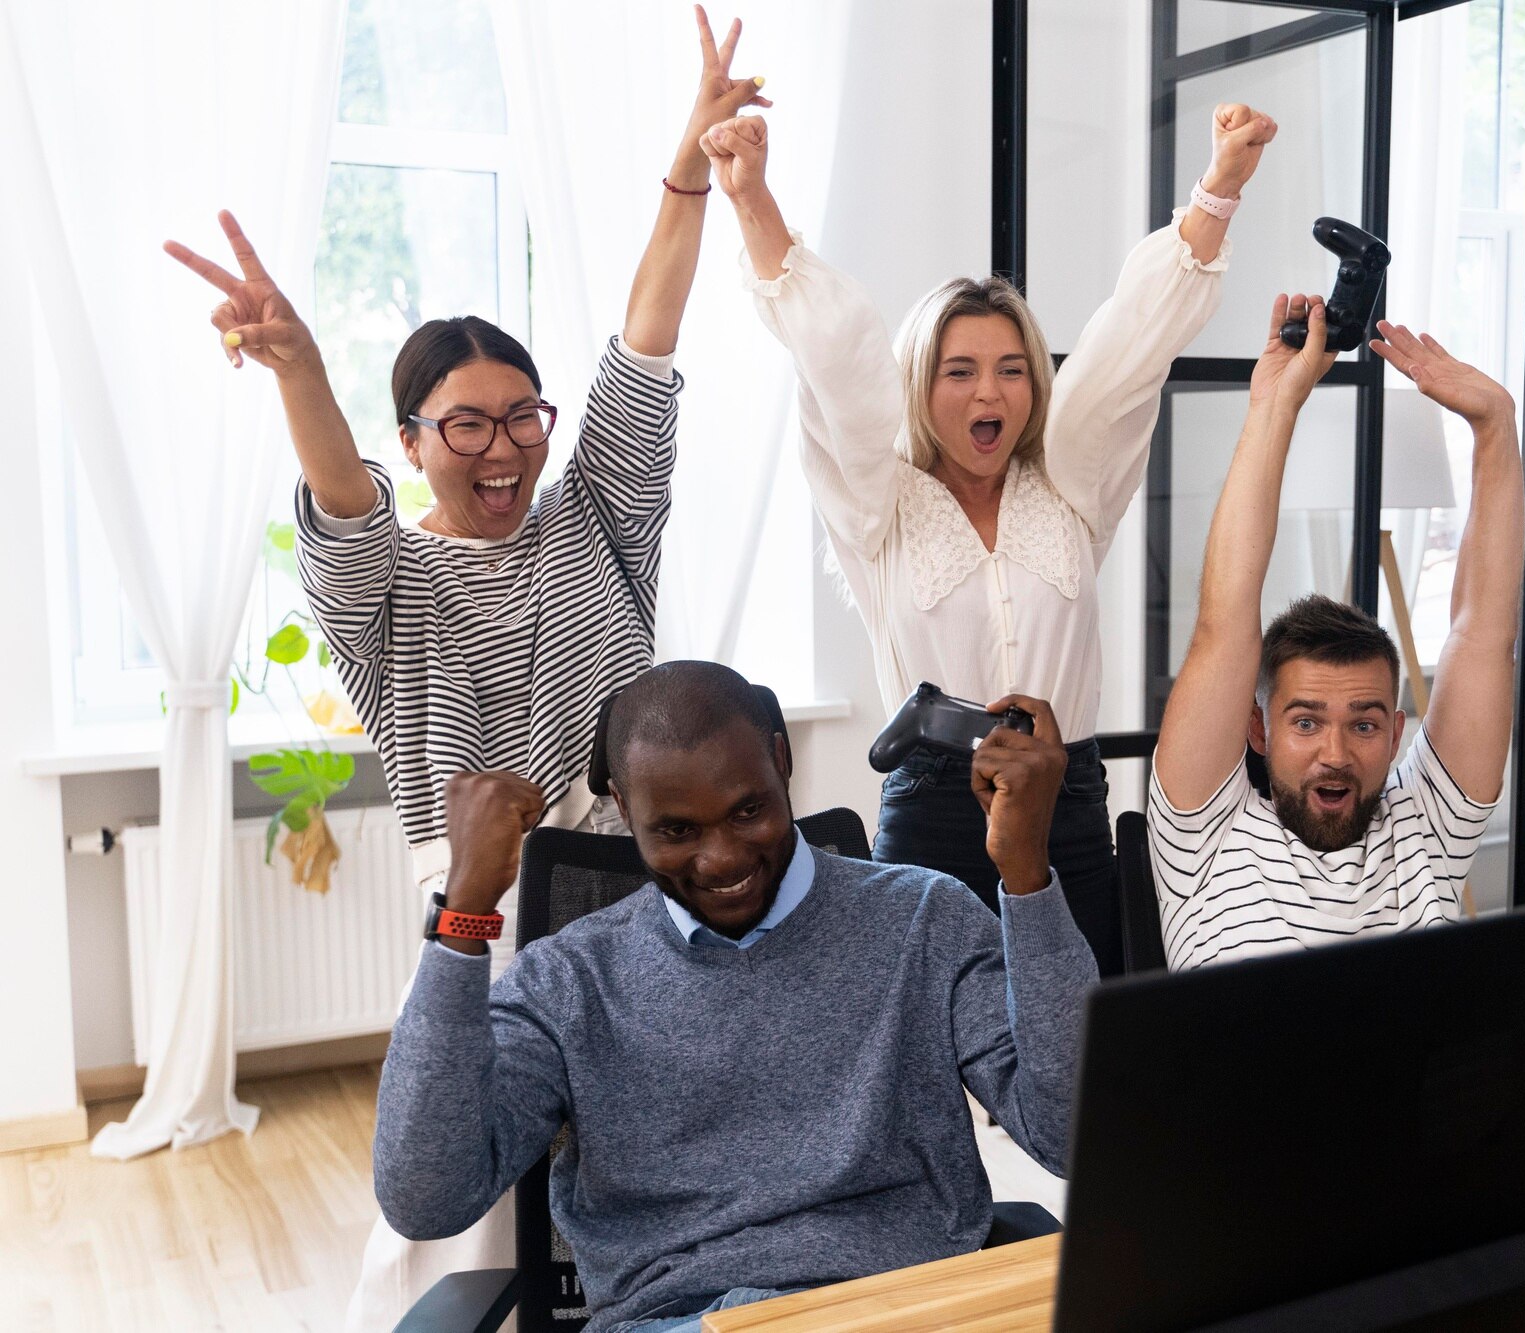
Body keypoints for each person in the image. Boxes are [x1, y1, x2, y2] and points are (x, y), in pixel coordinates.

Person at [162, 9, 767, 1324]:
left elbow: (646, 345)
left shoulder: (597, 513)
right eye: (467, 425)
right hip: (481, 910)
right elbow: (340, 497)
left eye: (523, 416)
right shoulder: (386, 586)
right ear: (415, 438)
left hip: (646, 881)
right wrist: (302, 365)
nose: (504, 447)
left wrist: (687, 170)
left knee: (677, 1182)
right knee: (458, 1215)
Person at [698, 101, 1279, 977]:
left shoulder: (1071, 488)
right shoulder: (878, 502)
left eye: (1013, 370)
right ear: (919, 385)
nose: (990, 395)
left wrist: (1220, 185)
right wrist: (751, 196)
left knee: (1075, 1045)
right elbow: (838, 358)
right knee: (927, 1054)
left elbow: (1128, 346)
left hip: (1067, 801)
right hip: (932, 811)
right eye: (959, 371)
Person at [372, 662, 1097, 1332]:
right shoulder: (569, 979)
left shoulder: (924, 918)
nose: (721, 858)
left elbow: (1074, 1136)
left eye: (747, 811)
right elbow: (426, 1194)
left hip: (904, 1308)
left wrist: (1027, 874)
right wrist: (462, 912)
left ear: (781, 762)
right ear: (624, 807)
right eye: (677, 830)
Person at [1148, 301, 1525, 971]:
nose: (1336, 753)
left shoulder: (1426, 829)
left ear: (1397, 732)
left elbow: (1481, 634)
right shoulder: (1204, 834)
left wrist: (1495, 426)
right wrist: (1274, 405)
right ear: (1259, 730)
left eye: (1364, 724)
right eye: (1306, 721)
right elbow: (1224, 621)